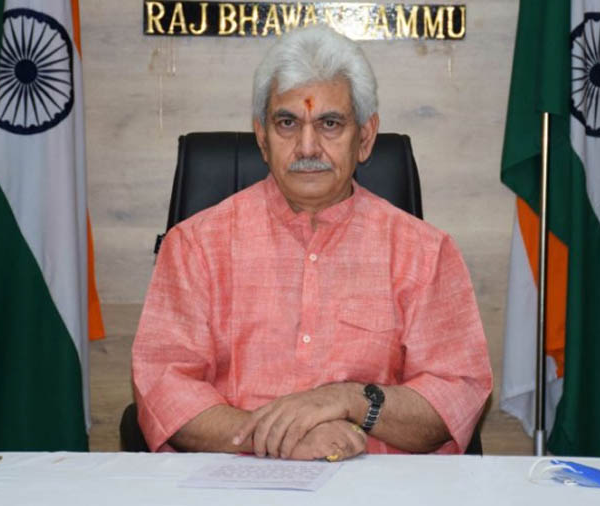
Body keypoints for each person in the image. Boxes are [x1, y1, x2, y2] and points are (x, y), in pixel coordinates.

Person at [131, 25, 492, 462]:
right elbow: (162, 386)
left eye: (330, 124)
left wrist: (349, 399)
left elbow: (455, 397)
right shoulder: (195, 246)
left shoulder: (426, 253)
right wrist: (280, 437)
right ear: (262, 137)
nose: (307, 147)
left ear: (365, 138)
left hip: (379, 485)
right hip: (234, 482)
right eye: (287, 123)